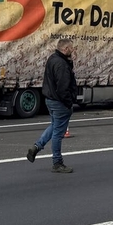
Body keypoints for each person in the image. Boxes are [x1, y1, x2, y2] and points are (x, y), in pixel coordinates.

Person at [26, 38, 76, 173]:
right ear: (65, 49)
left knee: (55, 126)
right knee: (58, 133)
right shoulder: (62, 65)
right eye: (72, 48)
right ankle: (57, 162)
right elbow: (62, 88)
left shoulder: (52, 59)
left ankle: (37, 146)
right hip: (59, 102)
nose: (73, 50)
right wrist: (69, 103)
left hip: (50, 99)